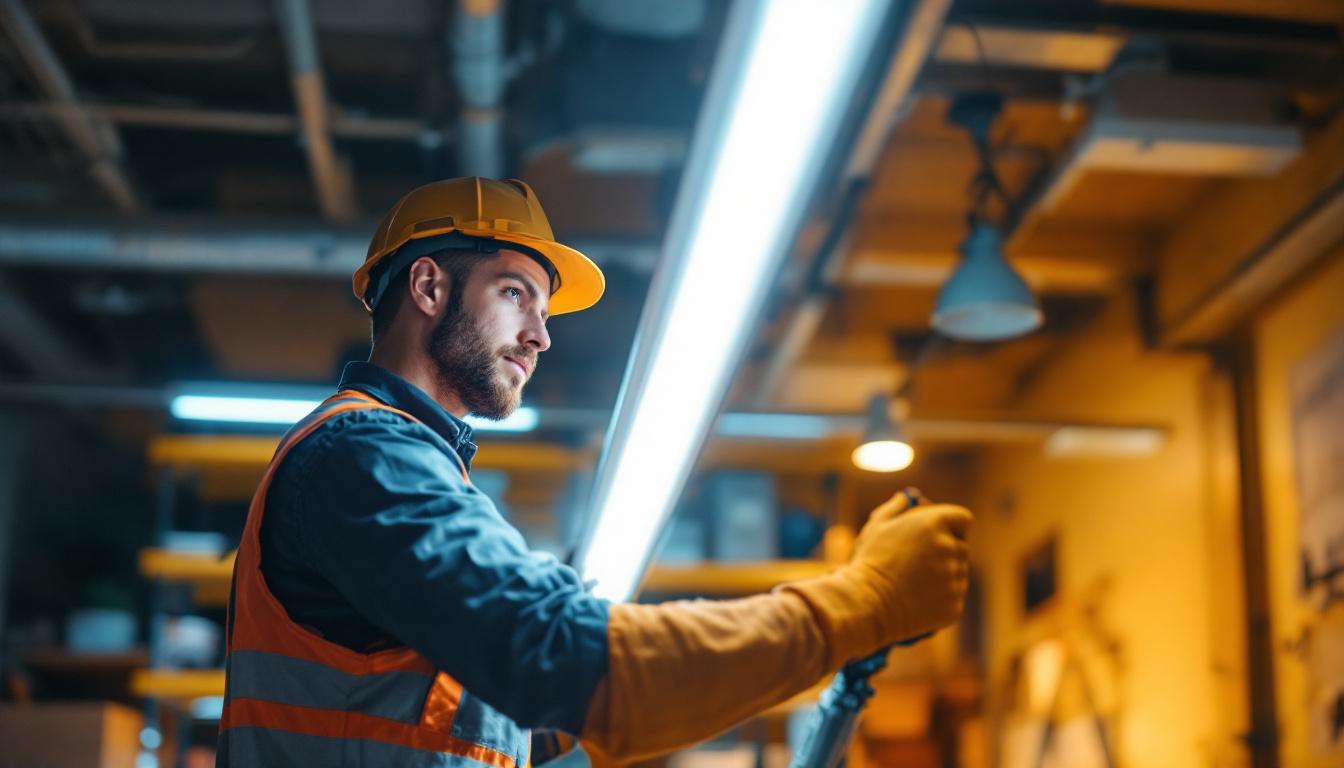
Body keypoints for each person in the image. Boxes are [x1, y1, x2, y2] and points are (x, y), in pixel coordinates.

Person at [217, 177, 973, 767]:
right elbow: (564, 662)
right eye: (516, 292)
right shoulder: (365, 457)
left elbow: (509, 715)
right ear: (427, 287)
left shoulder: (404, 467)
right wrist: (863, 601)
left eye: (544, 308)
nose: (541, 336)